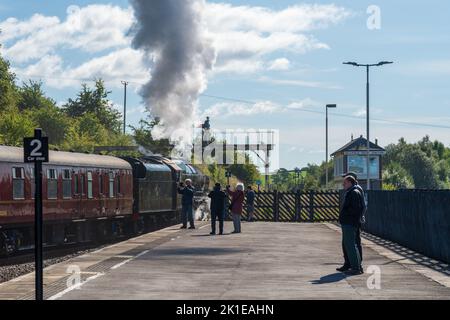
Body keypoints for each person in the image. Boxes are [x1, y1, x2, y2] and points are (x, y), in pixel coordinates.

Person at [337, 172, 365, 272]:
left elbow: (356, 209)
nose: (343, 184)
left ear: (349, 182)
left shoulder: (354, 192)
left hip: (350, 223)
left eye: (344, 182)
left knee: (351, 245)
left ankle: (356, 267)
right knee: (348, 244)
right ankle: (351, 265)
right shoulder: (352, 191)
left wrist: (347, 217)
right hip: (349, 223)